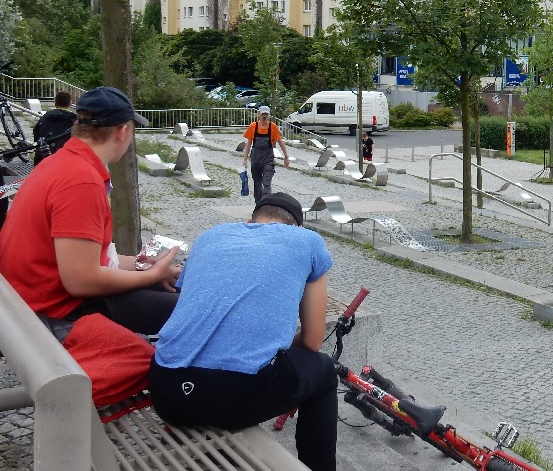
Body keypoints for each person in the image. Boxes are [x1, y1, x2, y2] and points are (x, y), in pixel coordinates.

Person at [149, 192, 338, 471]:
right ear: (298, 228)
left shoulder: (209, 237)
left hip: (166, 391)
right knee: (323, 371)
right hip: (239, 396)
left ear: (249, 222)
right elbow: (312, 341)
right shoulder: (307, 242)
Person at [0, 86, 181, 335]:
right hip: (55, 309)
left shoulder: (59, 162)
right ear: (123, 131)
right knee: (197, 311)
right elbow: (81, 280)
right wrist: (151, 276)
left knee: (177, 291)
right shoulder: (81, 181)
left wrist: (144, 266)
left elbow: (86, 260)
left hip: (28, 298)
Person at [242, 105, 290, 202]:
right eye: (263, 114)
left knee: (267, 182)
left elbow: (280, 142)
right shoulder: (253, 126)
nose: (264, 116)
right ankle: (258, 203)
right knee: (257, 182)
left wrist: (286, 157)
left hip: (268, 157)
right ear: (259, 114)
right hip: (256, 157)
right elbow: (248, 144)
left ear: (268, 116)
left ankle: (266, 203)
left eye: (266, 114)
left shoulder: (273, 127)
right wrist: (245, 159)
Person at [32, 90, 77, 165]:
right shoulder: (75, 122)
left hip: (42, 159)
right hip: (65, 161)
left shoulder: (44, 118)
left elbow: (36, 135)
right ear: (70, 104)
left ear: (55, 103)